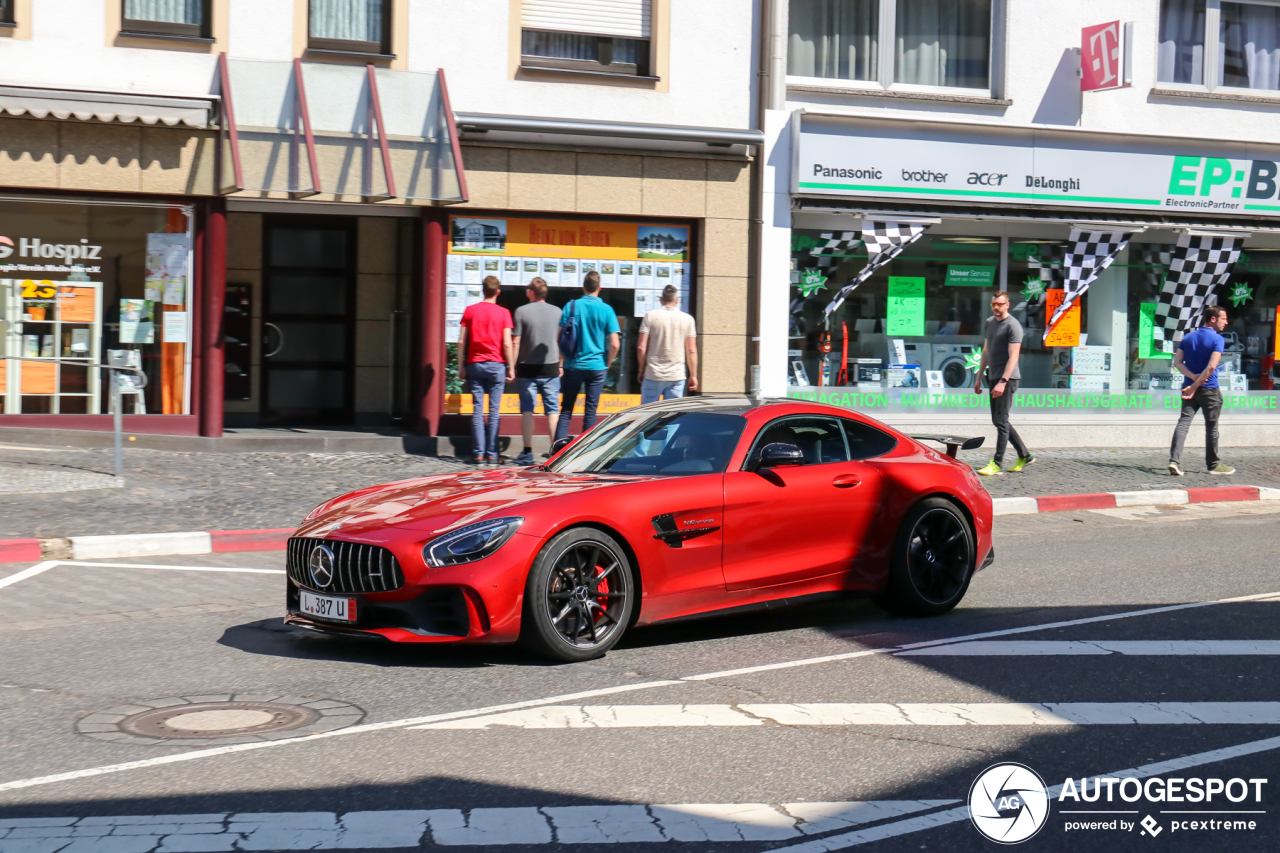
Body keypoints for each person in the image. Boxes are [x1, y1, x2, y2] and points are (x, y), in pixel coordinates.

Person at [973, 290, 1034, 475]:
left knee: (1001, 420)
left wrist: (1003, 381)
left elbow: (1013, 356)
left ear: (1007, 305)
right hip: (993, 377)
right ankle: (1025, 455)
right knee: (999, 420)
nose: (996, 308)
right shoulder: (990, 323)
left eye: (999, 304)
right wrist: (978, 377)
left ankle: (997, 462)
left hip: (1007, 378)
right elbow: (986, 351)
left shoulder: (1013, 326)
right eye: (993, 304)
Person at [1169, 304, 1234, 476]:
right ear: (1213, 319)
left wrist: (1191, 381)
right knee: (1212, 426)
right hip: (1209, 389)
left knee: (1183, 423)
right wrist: (1196, 384)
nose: (1226, 323)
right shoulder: (1217, 339)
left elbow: (1177, 363)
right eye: (1223, 319)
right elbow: (1211, 367)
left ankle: (1175, 461)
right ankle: (1213, 464)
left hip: (1188, 388)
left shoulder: (1188, 337)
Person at [556, 270, 620, 443]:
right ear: (599, 287)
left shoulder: (571, 306)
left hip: (573, 365)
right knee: (590, 412)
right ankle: (585, 454)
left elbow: (560, 337)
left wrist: (561, 362)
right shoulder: (607, 310)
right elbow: (615, 343)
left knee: (566, 410)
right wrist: (607, 363)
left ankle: (556, 452)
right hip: (597, 367)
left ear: (583, 287)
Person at [457, 275, 513, 466]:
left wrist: (460, 365)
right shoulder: (504, 313)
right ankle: (493, 455)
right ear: (498, 292)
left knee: (478, 410)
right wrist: (511, 367)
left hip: (475, 364)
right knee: (494, 411)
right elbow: (507, 343)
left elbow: (461, 341)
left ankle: (478, 455)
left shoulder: (470, 311)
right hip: (496, 365)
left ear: (483, 290)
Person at [511, 277, 562, 466]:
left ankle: (527, 451)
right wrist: (561, 364)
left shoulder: (521, 311)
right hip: (551, 367)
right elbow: (560, 341)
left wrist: (512, 366)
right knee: (553, 411)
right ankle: (555, 452)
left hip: (526, 368)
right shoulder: (558, 312)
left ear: (531, 292)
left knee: (527, 410)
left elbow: (516, 342)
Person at [637, 284, 699, 404]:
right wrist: (693, 375)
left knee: (647, 416)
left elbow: (641, 347)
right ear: (677, 300)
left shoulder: (650, 316)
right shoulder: (687, 319)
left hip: (653, 373)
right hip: (676, 375)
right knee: (672, 417)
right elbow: (692, 350)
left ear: (661, 300)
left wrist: (641, 369)